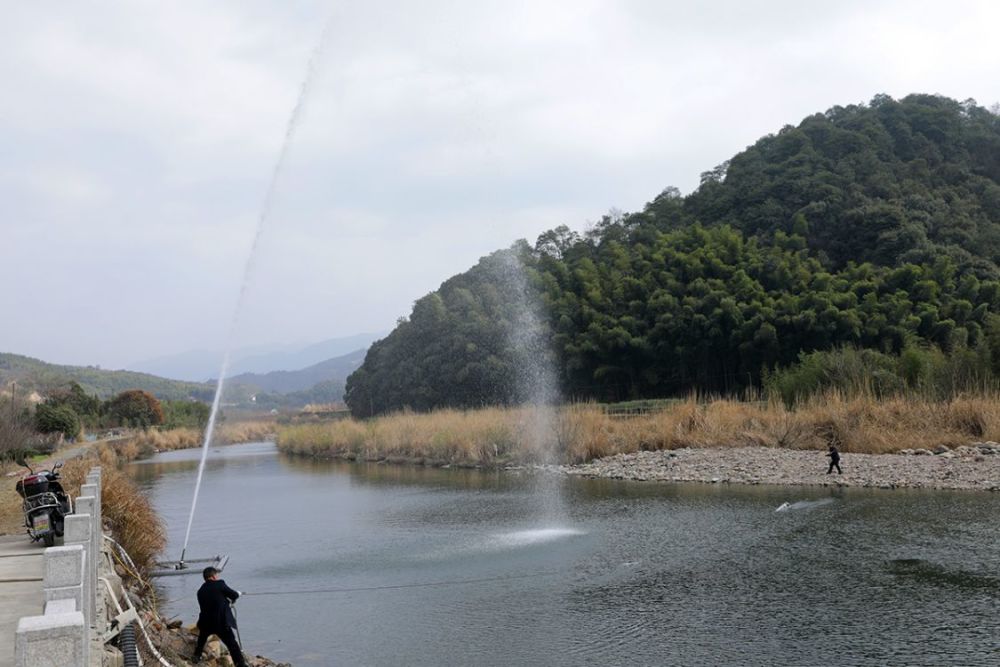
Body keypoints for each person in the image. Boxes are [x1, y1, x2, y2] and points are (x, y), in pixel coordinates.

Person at [193, 567, 248, 666]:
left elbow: (213, 600)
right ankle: (240, 664)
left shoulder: (200, 591)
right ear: (213, 576)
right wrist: (238, 594)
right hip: (221, 622)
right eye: (216, 575)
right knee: (232, 644)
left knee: (201, 641)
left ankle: (196, 657)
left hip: (205, 622)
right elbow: (233, 595)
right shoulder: (219, 584)